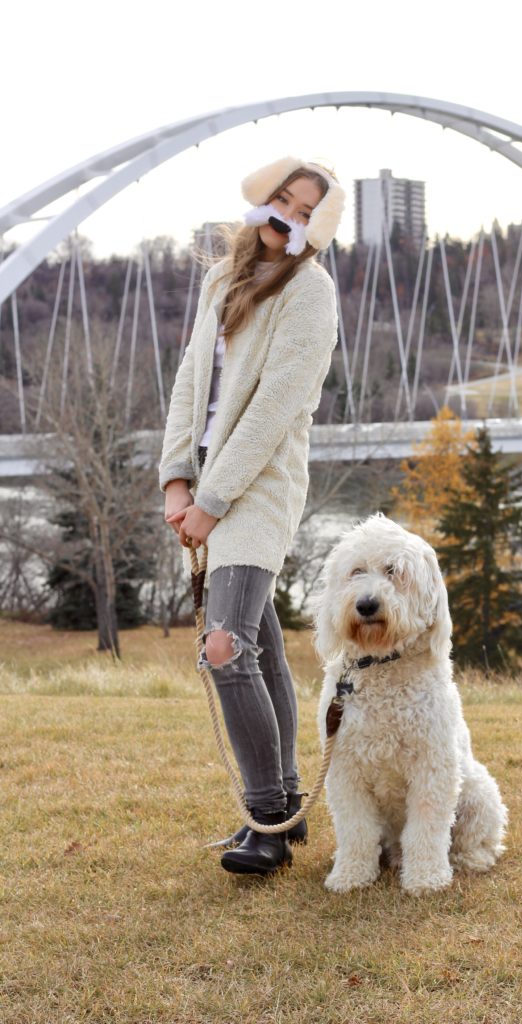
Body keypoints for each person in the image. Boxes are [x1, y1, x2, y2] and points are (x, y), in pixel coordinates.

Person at [158, 156, 345, 876]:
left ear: (314, 226)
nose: (283, 216)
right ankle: (289, 804)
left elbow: (273, 409)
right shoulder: (221, 279)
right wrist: (177, 478)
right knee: (254, 649)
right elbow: (189, 384)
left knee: (225, 647)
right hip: (206, 481)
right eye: (279, 199)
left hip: (259, 487)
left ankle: (266, 821)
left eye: (302, 210)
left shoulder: (311, 292)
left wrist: (211, 502)